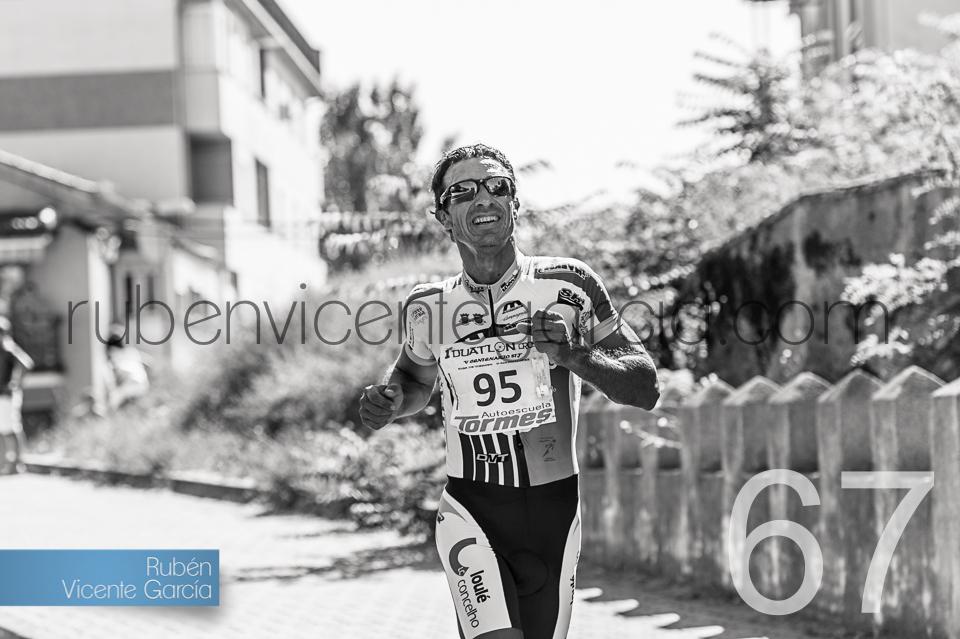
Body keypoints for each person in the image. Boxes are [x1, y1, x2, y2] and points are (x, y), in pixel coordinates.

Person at [359, 144, 660, 639]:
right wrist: (388, 404)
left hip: (554, 512)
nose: (484, 198)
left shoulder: (569, 284)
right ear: (443, 217)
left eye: (497, 186)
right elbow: (413, 380)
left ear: (514, 204)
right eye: (463, 191)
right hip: (471, 508)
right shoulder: (427, 306)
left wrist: (573, 357)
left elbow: (645, 387)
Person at [0, 316, 34, 474]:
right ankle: (7, 461)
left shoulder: (8, 347)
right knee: (4, 429)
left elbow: (26, 363)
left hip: (7, 395)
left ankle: (18, 462)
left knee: (10, 428)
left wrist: (15, 383)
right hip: (3, 394)